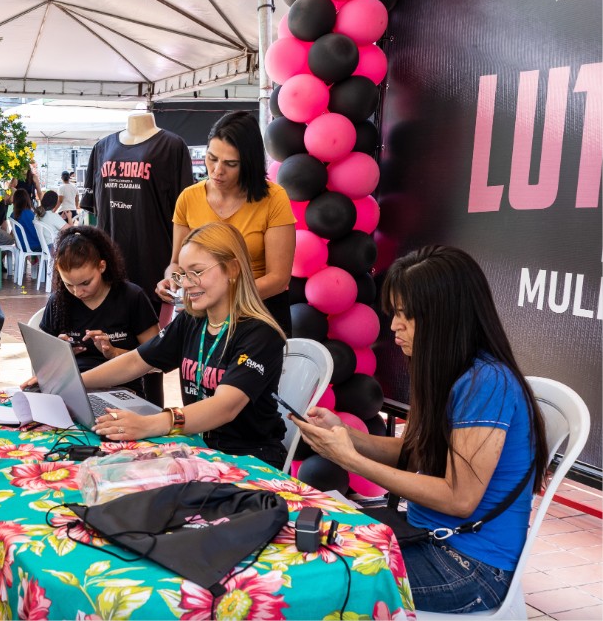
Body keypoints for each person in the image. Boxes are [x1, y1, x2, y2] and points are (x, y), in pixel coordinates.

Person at [292, 245, 550, 614]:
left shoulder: (487, 383)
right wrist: (345, 436)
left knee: (314, 582)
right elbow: (413, 453)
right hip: (424, 538)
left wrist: (351, 459)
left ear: (445, 316)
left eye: (404, 315)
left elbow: (459, 498)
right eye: (393, 313)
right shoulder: (453, 371)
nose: (394, 325)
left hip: (470, 567)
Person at [85, 222, 289, 468]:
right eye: (182, 274)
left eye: (197, 272)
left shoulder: (260, 334)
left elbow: (225, 407)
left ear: (232, 269)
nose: (186, 283)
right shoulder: (192, 321)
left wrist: (148, 424)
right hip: (197, 447)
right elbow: (138, 360)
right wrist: (74, 381)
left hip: (248, 458)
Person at [156, 111, 296, 334]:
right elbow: (176, 264)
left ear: (249, 164)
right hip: (206, 316)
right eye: (211, 158)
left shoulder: (274, 198)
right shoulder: (188, 198)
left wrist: (222, 297)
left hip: (260, 314)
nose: (217, 171)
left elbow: (279, 278)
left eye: (231, 163)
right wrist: (172, 282)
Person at [39, 226, 159, 395]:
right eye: (68, 284)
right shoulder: (59, 301)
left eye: (85, 283)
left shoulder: (132, 297)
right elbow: (42, 361)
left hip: (122, 389)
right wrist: (61, 353)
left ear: (101, 266)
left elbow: (156, 360)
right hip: (70, 389)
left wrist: (114, 352)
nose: (77, 292)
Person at [11, 188, 41, 252]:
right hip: (33, 245)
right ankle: (40, 262)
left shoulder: (13, 214)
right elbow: (35, 232)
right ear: (27, 200)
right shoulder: (29, 214)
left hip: (20, 245)